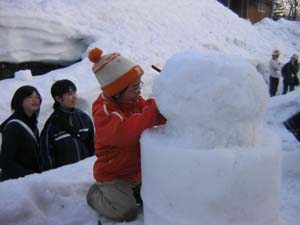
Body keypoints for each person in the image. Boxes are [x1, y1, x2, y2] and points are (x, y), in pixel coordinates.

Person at [86, 48, 166, 222]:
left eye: (140, 85)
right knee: (127, 212)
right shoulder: (104, 111)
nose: (139, 91)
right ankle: (94, 194)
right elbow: (125, 132)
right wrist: (155, 110)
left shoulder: (134, 101)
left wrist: (168, 104)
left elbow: (150, 113)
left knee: (161, 197)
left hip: (137, 173)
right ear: (117, 91)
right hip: (114, 176)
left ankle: (130, 193)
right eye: (135, 87)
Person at [39, 79, 94, 171]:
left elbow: (93, 146)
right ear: (58, 99)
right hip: (67, 179)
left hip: (86, 173)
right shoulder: (51, 125)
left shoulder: (84, 118)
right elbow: (47, 158)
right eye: (69, 94)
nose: (74, 97)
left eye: (75, 93)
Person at [0, 86, 42, 181]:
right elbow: (5, 161)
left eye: (37, 97)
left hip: (28, 180)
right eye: (30, 97)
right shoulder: (13, 126)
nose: (35, 100)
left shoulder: (32, 125)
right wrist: (31, 176)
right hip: (15, 185)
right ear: (19, 100)